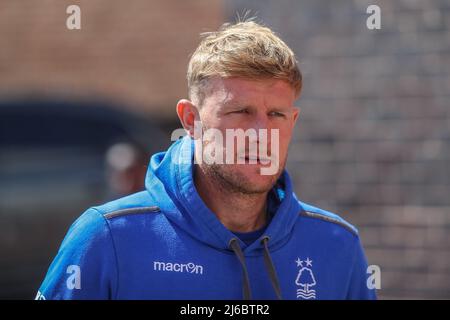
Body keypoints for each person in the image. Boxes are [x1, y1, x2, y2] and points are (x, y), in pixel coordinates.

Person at [36, 20, 376, 300]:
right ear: (190, 120)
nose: (261, 132)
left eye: (276, 114)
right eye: (240, 111)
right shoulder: (106, 238)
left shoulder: (337, 245)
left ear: (294, 121)